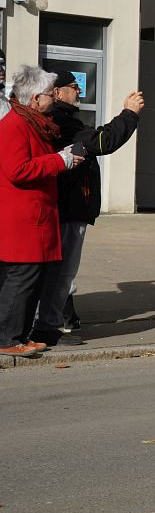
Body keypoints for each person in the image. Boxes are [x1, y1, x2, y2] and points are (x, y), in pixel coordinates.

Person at [35, 72, 142, 343]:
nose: (80, 92)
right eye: (74, 87)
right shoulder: (62, 122)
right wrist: (128, 114)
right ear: (57, 93)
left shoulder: (64, 120)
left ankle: (52, 322)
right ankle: (48, 326)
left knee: (58, 272)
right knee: (61, 272)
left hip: (69, 207)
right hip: (68, 208)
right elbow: (101, 142)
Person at [0, 66, 84, 357]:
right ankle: (8, 338)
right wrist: (59, 162)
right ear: (35, 99)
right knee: (21, 279)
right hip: (23, 217)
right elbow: (17, 170)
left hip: (34, 215)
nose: (55, 97)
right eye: (50, 93)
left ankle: (18, 335)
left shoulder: (31, 122)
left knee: (30, 279)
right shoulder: (16, 125)